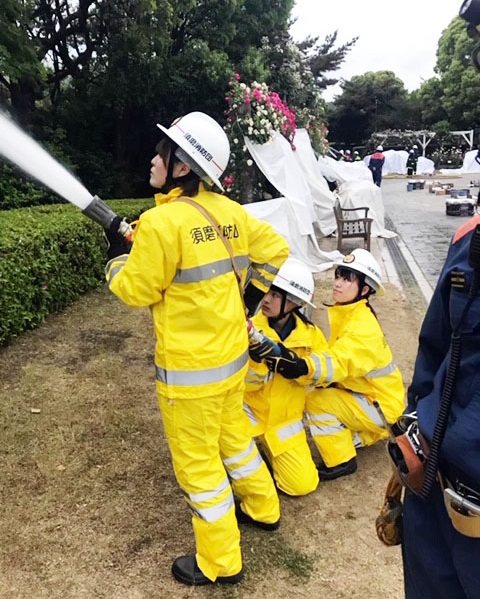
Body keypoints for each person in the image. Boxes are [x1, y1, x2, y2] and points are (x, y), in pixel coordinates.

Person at [104, 111, 290, 586]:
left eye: (161, 152)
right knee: (234, 444)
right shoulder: (229, 213)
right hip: (230, 365)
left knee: (200, 469)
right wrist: (250, 299)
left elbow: (134, 290)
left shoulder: (163, 223)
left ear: (182, 167)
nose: (152, 158)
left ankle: (220, 563)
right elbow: (276, 249)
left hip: (190, 378)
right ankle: (264, 508)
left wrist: (115, 259)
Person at [302, 249, 405, 480]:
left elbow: (339, 362)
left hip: (380, 405)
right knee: (325, 390)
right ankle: (363, 435)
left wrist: (302, 368)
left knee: (316, 401)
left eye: (347, 279)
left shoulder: (362, 326)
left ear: (365, 289)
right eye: (338, 276)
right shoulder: (351, 313)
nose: (337, 283)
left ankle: (342, 461)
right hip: (376, 398)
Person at [244, 258, 328, 496]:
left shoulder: (311, 336)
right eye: (267, 291)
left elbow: (323, 375)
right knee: (233, 471)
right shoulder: (249, 328)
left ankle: (267, 457)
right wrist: (258, 362)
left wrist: (300, 368)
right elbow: (242, 382)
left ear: (295, 302)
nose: (267, 299)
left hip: (283, 423)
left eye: (276, 295)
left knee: (302, 485)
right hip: (248, 414)